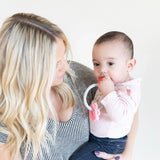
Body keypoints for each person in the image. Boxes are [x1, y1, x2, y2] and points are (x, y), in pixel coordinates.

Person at [0, 13, 139, 160]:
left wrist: (127, 153)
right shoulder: (7, 113)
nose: (66, 67)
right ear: (28, 69)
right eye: (56, 63)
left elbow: (129, 104)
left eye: (64, 58)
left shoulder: (78, 76)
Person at [70, 31, 141, 160]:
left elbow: (121, 117)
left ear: (129, 65)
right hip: (96, 139)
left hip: (111, 144)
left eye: (110, 64)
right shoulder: (110, 83)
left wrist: (109, 92)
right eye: (97, 64)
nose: (102, 70)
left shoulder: (129, 90)